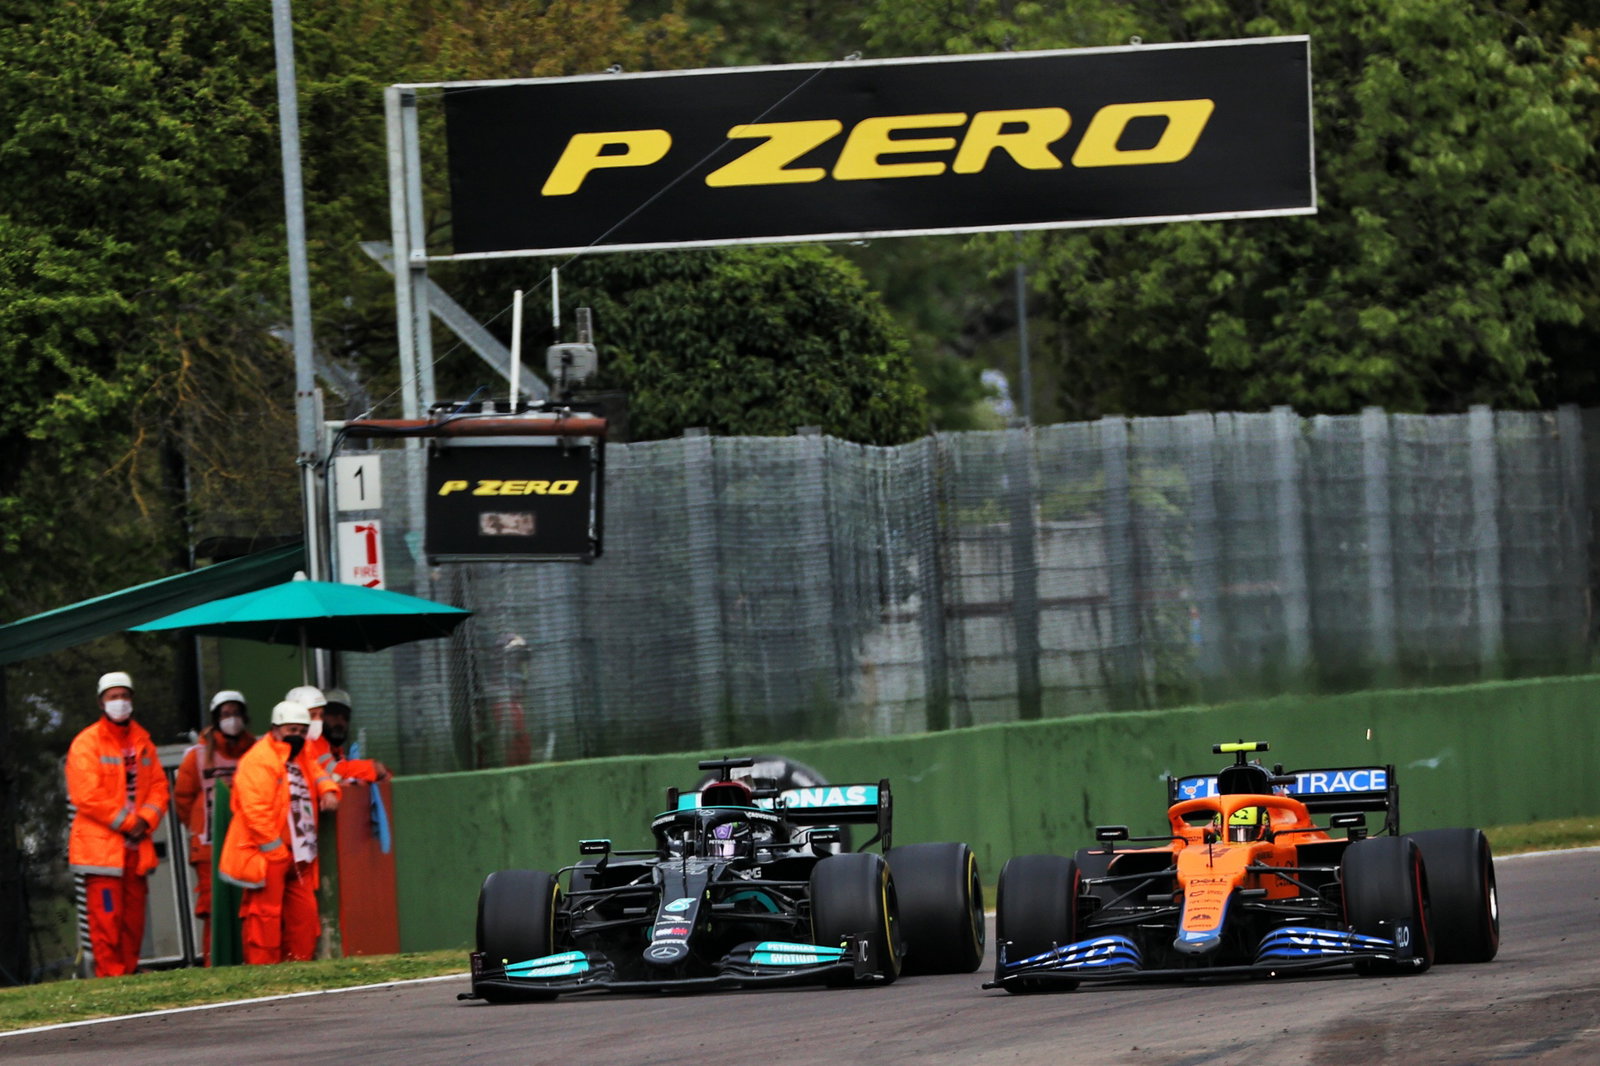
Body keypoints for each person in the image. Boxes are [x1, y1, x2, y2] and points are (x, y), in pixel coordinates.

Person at [64, 671, 170, 977]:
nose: (120, 702)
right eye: (113, 697)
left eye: (124, 696)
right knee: (106, 919)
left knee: (133, 920)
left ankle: (127, 972)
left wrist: (146, 820)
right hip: (102, 854)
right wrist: (128, 822)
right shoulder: (87, 743)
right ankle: (111, 978)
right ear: (101, 702)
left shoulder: (143, 742)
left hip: (136, 849)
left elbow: (160, 788)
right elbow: (86, 794)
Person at [219, 699, 340, 964]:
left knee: (304, 915)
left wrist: (328, 789)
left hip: (299, 853)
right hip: (269, 853)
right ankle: (264, 971)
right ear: (275, 729)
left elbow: (318, 773)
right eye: (291, 730)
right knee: (265, 916)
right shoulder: (258, 760)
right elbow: (254, 810)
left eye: (301, 731)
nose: (296, 736)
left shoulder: (301, 754)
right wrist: (273, 849)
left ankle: (298, 965)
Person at [173, 689, 255, 964]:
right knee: (213, 908)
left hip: (248, 843)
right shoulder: (197, 756)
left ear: (245, 716)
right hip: (208, 848)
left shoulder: (255, 752)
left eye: (236, 713)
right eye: (226, 714)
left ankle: (249, 960)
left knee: (248, 904)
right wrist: (199, 827)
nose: (232, 719)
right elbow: (182, 800)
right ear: (216, 719)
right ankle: (215, 964)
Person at [285, 684, 388, 783]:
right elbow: (333, 773)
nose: (340, 721)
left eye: (321, 715)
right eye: (313, 715)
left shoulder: (333, 749)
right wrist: (371, 768)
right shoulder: (310, 743)